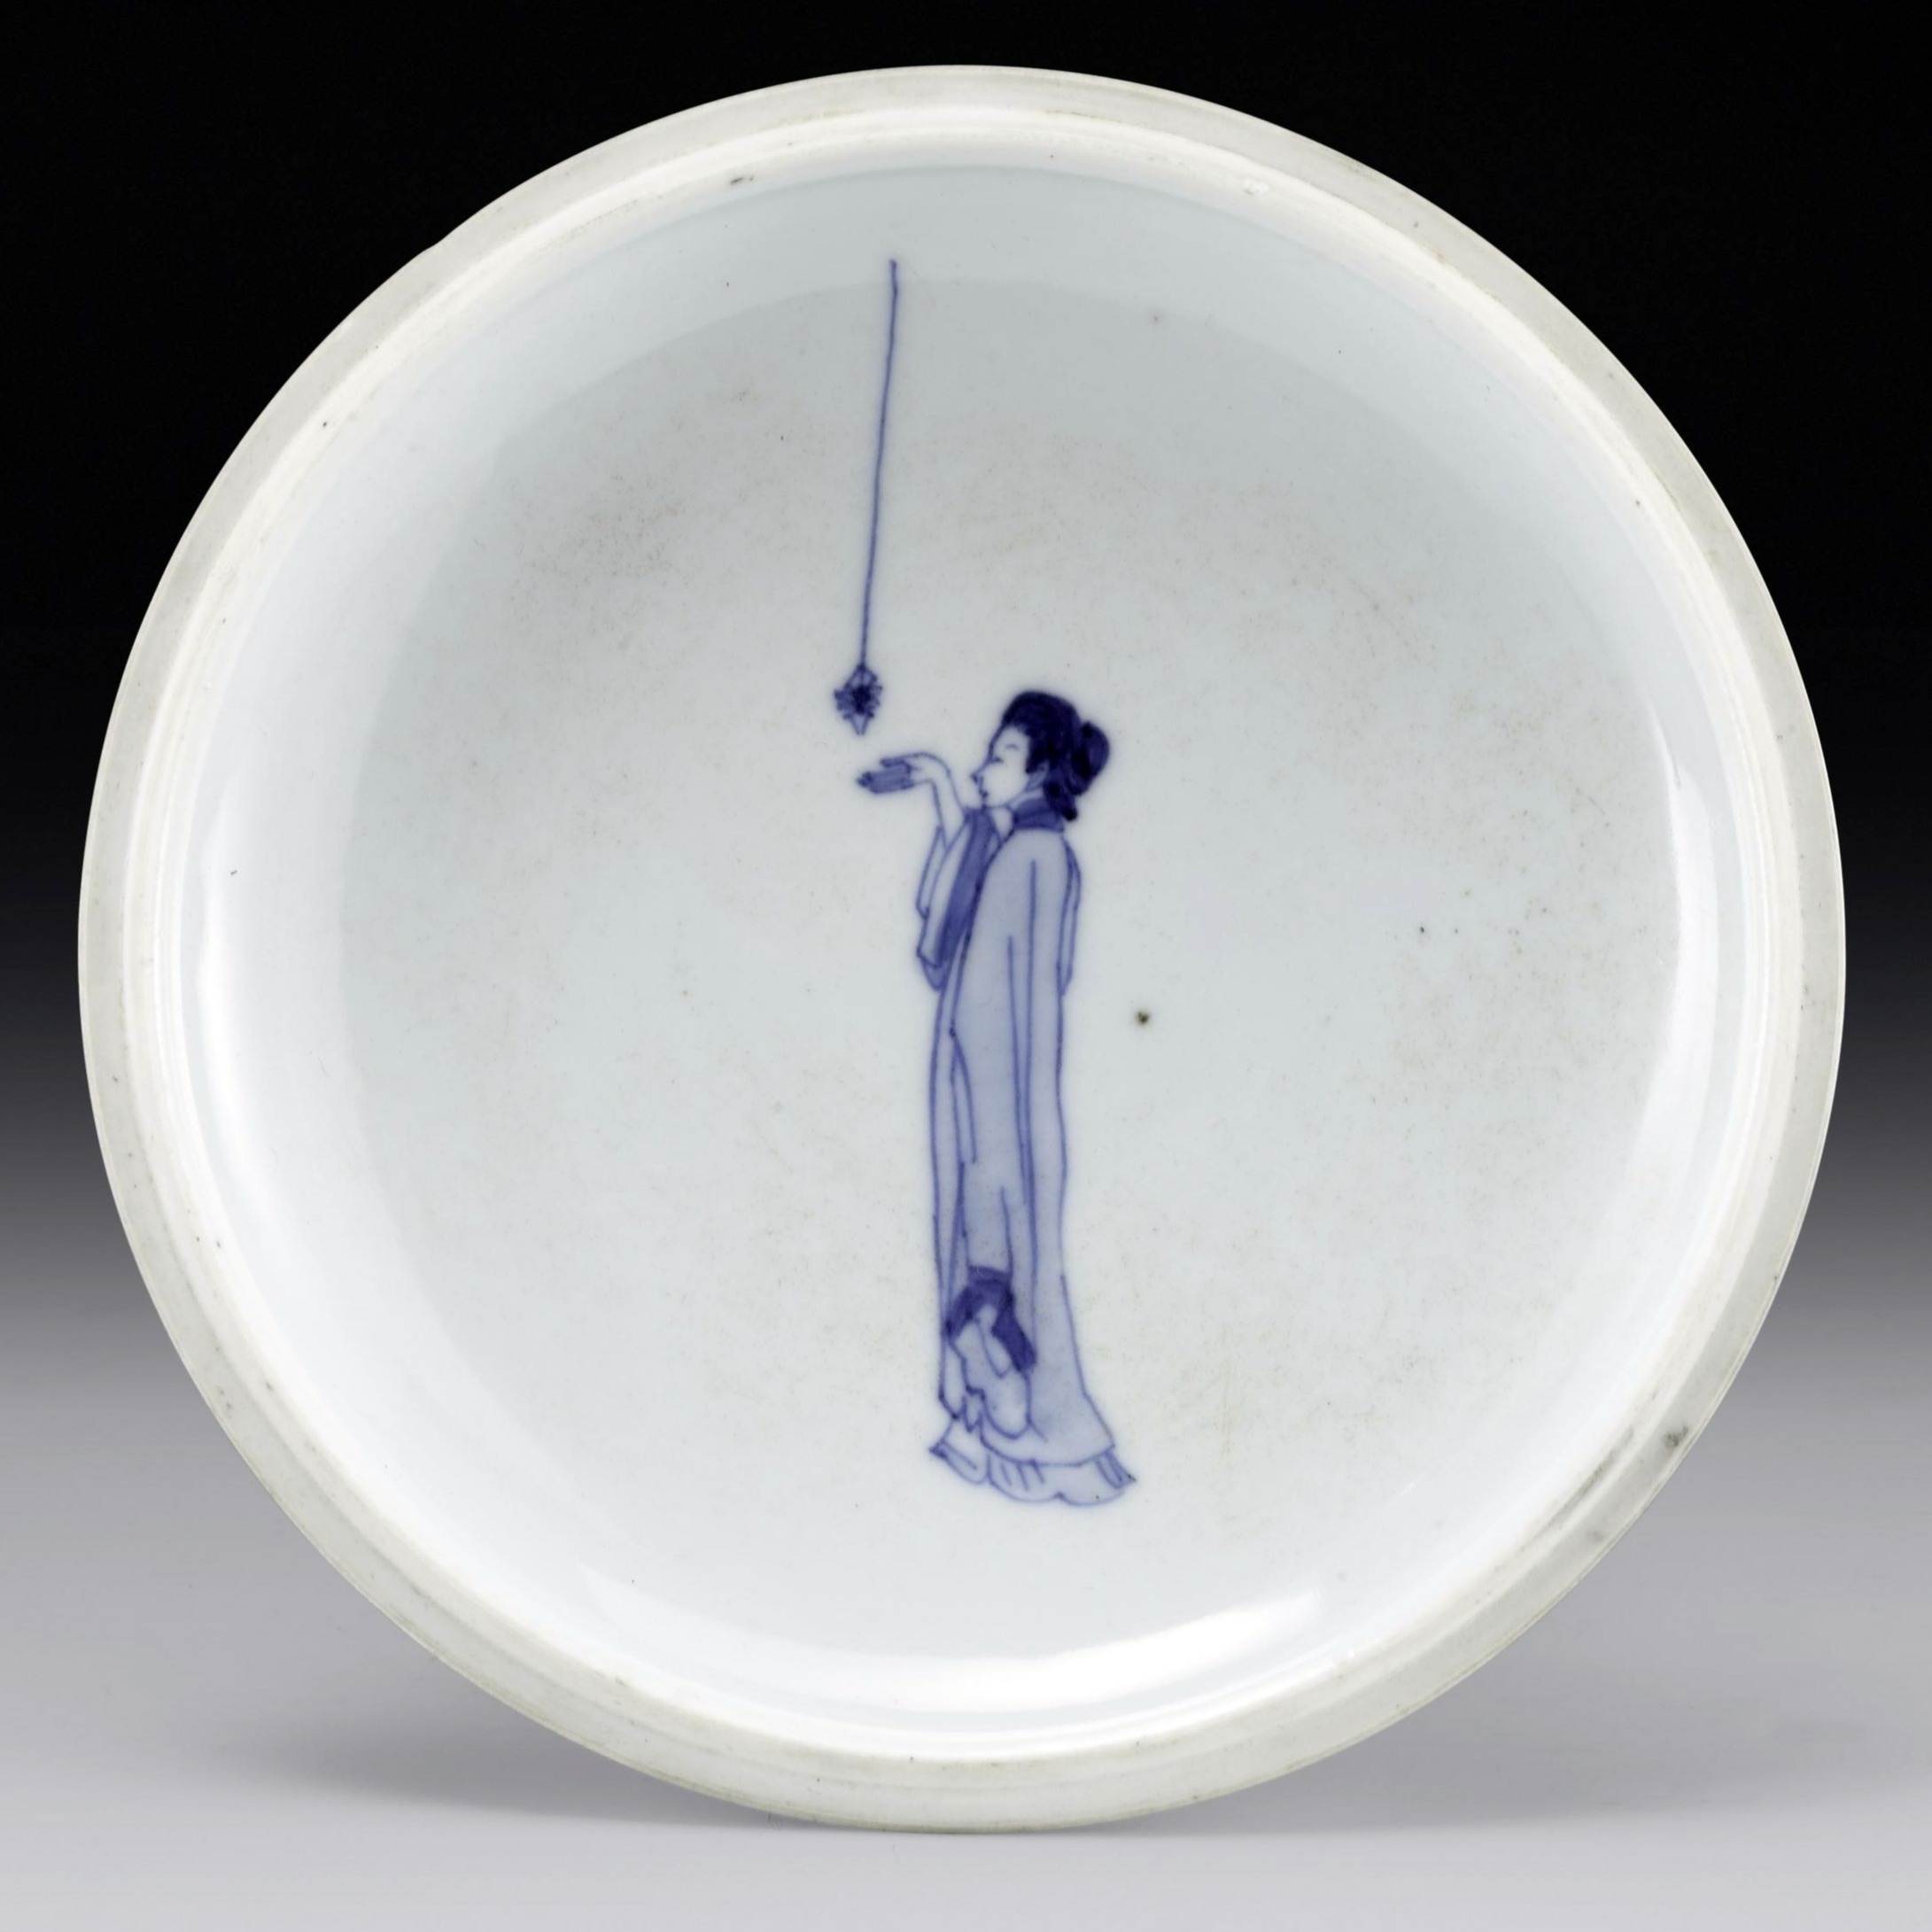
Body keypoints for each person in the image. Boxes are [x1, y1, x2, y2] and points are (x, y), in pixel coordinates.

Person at [861, 692, 1132, 1505]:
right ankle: (986, 1418)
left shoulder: (1038, 857)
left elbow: (1001, 987)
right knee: (983, 1248)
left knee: (997, 1251)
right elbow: (956, 931)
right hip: (982, 1090)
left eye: (1001, 756)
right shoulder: (1021, 849)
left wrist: (992, 1116)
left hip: (997, 1103)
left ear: (1040, 770)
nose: (986, 768)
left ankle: (1023, 1418)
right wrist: (945, 789)